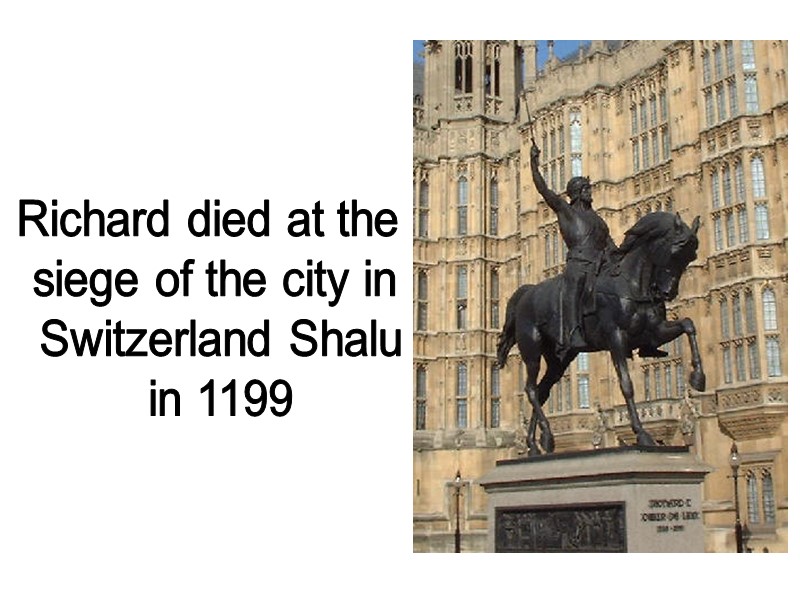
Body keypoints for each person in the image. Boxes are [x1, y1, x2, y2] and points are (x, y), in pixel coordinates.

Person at [529, 140, 667, 360]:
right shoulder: (566, 211)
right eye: (586, 189)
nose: (590, 192)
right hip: (579, 263)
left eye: (589, 189)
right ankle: (573, 332)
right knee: (575, 284)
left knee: (634, 286)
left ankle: (645, 337)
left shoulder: (597, 219)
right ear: (577, 193)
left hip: (602, 263)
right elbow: (544, 190)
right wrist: (533, 164)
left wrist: (622, 256)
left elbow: (609, 243)